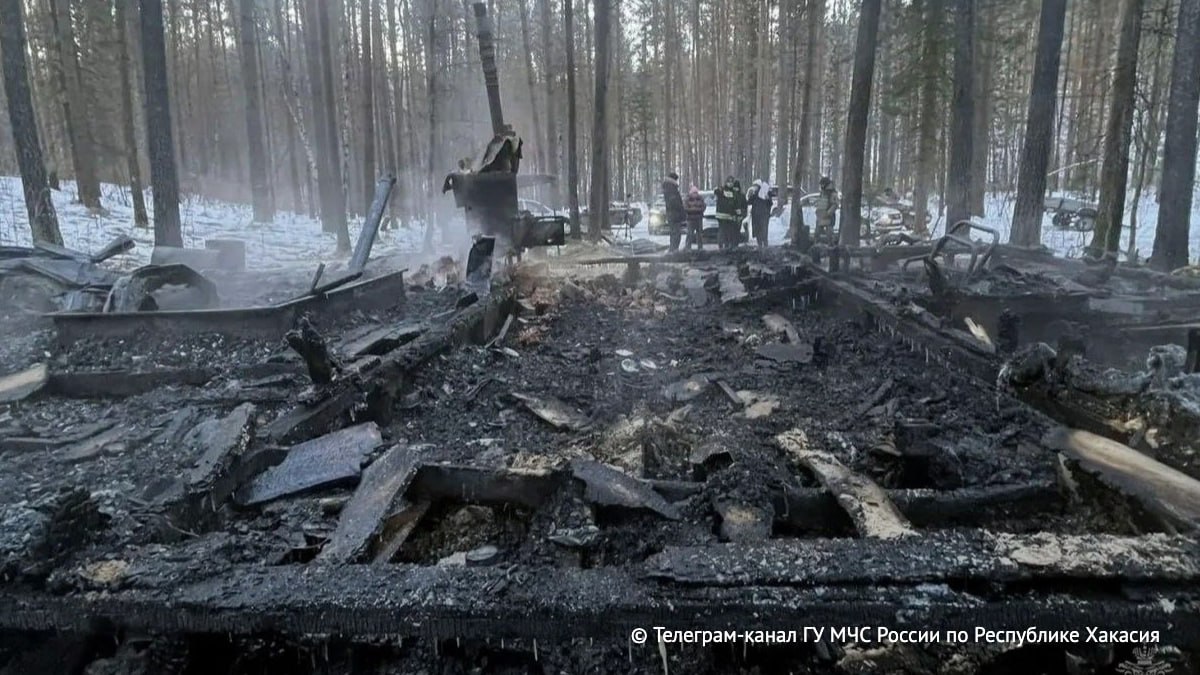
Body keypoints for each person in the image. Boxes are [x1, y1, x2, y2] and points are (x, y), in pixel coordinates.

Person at [714, 177, 741, 250]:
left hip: (729, 216)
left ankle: (727, 245)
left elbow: (736, 204)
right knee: (722, 231)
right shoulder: (722, 190)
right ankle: (721, 245)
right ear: (726, 183)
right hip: (722, 215)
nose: (730, 184)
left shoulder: (734, 192)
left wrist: (738, 214)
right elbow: (716, 192)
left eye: (731, 182)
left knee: (728, 232)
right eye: (729, 182)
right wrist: (719, 189)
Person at [661, 172, 686, 252]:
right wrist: (681, 209)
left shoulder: (668, 187)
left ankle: (673, 248)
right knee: (676, 233)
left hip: (671, 213)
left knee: (673, 232)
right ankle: (674, 249)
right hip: (675, 214)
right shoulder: (671, 188)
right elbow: (674, 202)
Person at [814, 176, 839, 244]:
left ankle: (831, 248)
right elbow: (821, 202)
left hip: (829, 217)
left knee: (829, 235)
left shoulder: (832, 193)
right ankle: (816, 247)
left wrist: (828, 213)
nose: (821, 186)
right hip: (821, 216)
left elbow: (835, 204)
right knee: (817, 234)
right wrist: (817, 211)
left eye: (822, 184)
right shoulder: (822, 192)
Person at [748, 179, 772, 248]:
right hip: (756, 216)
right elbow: (749, 202)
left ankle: (764, 245)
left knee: (763, 231)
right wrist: (750, 195)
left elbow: (770, 203)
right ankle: (760, 245)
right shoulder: (754, 194)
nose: (754, 187)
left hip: (763, 216)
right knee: (758, 231)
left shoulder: (764, 193)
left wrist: (767, 198)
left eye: (755, 186)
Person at [684, 185, 706, 250]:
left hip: (699, 218)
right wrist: (696, 210)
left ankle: (700, 247)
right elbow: (685, 208)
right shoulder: (687, 199)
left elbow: (704, 206)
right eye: (693, 193)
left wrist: (694, 209)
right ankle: (688, 247)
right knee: (690, 233)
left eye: (696, 192)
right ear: (691, 193)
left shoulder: (700, 198)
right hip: (690, 219)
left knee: (699, 234)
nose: (695, 194)